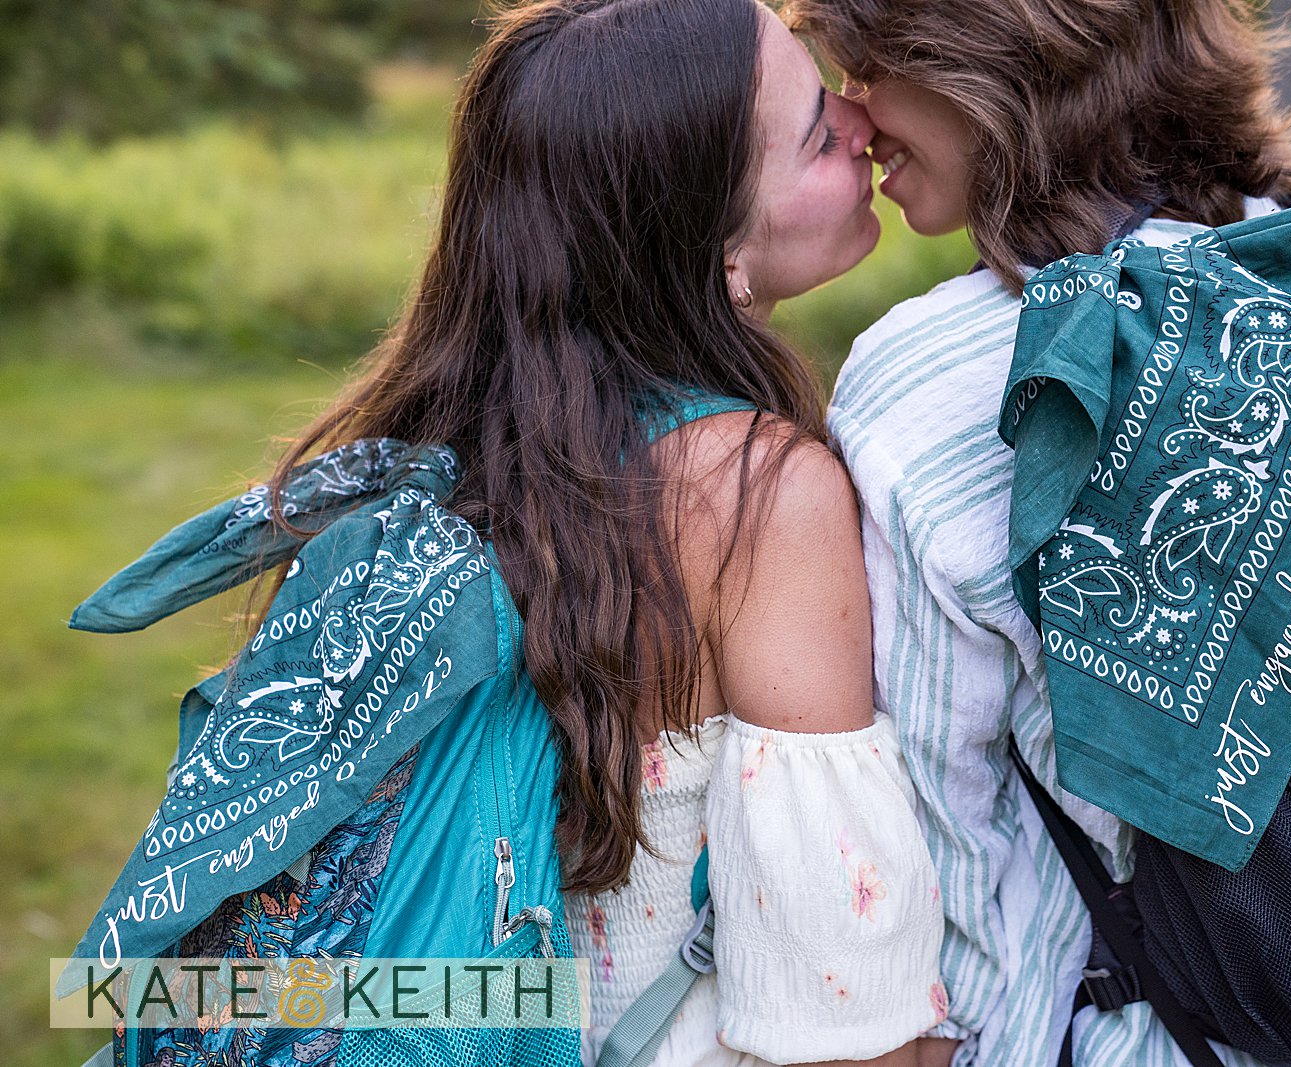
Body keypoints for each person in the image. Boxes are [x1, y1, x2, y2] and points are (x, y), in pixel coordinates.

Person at [70, 1, 944, 1064]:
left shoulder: (446, 460)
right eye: (816, 131)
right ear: (705, 240)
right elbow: (843, 1008)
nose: (861, 118)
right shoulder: (754, 490)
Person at [780, 1, 1291, 1065]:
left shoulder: (930, 380)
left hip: (1161, 1023)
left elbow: (947, 840)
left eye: (872, 67)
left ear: (991, 68)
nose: (854, 115)